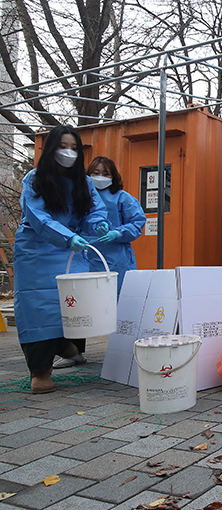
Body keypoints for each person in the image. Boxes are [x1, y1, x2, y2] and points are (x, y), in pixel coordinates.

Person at [13, 125, 110, 393]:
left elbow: (93, 210)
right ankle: (40, 370)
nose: (68, 153)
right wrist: (66, 236)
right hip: (37, 249)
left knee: (69, 305)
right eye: (62, 146)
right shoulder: (35, 179)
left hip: (71, 249)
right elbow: (37, 217)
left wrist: (98, 224)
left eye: (74, 148)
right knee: (38, 309)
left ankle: (63, 345)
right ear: (50, 149)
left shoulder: (84, 181)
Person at [84, 156, 146, 296]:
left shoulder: (123, 198)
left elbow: (137, 222)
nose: (100, 177)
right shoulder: (81, 198)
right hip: (86, 254)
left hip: (117, 258)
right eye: (95, 173)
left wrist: (118, 233)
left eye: (105, 174)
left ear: (113, 176)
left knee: (118, 299)